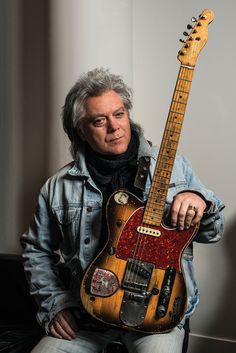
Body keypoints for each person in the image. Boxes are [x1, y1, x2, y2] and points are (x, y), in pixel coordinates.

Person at [21, 67, 225, 353]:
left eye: (119, 114)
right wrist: (54, 305)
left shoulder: (173, 166)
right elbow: (36, 250)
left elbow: (213, 232)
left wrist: (200, 200)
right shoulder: (58, 187)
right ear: (81, 129)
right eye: (99, 120)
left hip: (158, 314)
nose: (114, 126)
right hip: (87, 318)